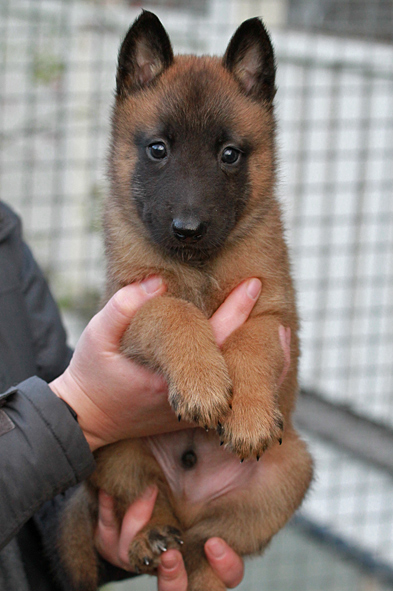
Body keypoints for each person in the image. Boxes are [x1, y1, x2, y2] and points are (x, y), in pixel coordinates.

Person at [0, 200, 260, 590]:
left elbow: (52, 401)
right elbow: (64, 411)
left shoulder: (4, 234)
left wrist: (105, 535)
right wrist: (86, 409)